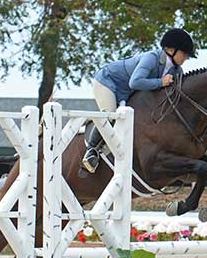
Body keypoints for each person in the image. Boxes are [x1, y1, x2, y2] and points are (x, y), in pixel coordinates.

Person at [81, 28, 196, 173]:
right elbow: (135, 82)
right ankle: (91, 151)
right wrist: (161, 82)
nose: (186, 58)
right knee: (111, 114)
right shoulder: (151, 58)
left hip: (127, 93)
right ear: (171, 49)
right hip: (109, 82)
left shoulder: (177, 71)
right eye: (184, 53)